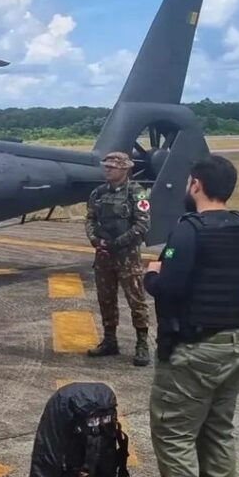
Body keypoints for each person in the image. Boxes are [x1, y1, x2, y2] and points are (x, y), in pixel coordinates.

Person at [138, 155, 239, 477]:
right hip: (235, 344)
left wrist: (152, 273)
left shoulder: (188, 231)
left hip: (194, 351)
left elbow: (167, 287)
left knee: (173, 433)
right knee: (218, 431)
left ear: (195, 185)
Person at [84, 151, 152, 366]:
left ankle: (142, 344)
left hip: (127, 257)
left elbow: (142, 225)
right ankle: (110, 341)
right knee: (106, 300)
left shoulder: (137, 193)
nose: (107, 169)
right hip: (104, 256)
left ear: (124, 169)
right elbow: (90, 219)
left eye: (112, 167)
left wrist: (119, 242)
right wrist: (95, 240)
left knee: (136, 301)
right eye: (106, 166)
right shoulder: (98, 193)